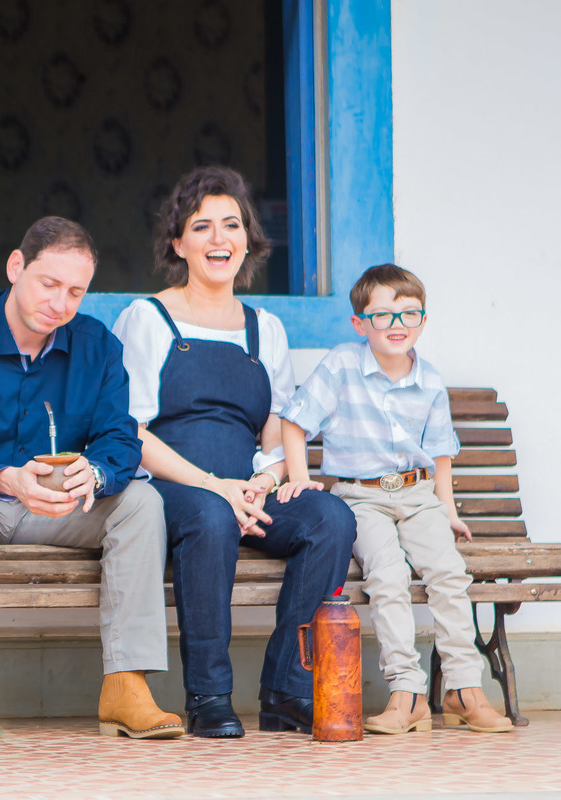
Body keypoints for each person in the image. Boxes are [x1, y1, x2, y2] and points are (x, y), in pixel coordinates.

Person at [0, 216, 183, 744]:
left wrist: (94, 473)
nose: (60, 303)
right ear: (16, 267)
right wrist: (4, 477)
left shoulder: (97, 346)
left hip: (57, 508)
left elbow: (120, 437)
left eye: (76, 291)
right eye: (49, 284)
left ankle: (126, 686)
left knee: (141, 502)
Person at [112, 166, 356, 738]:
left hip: (245, 491)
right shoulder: (147, 318)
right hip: (175, 492)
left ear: (248, 239)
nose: (219, 239)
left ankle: (288, 689)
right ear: (179, 243)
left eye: (232, 225)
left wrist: (266, 482)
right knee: (211, 515)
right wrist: (214, 486)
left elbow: (276, 424)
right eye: (201, 227)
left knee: (330, 518)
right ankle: (209, 695)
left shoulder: (264, 328)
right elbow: (131, 432)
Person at [278, 263, 514, 735]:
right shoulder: (342, 365)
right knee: (387, 577)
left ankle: (464, 689)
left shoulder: (430, 381)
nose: (397, 324)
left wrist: (448, 511)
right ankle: (406, 694)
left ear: (423, 320)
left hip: (419, 495)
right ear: (359, 323)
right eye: (383, 315)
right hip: (360, 498)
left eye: (409, 314)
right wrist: (300, 478)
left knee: (448, 574)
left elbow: (441, 454)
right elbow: (295, 421)